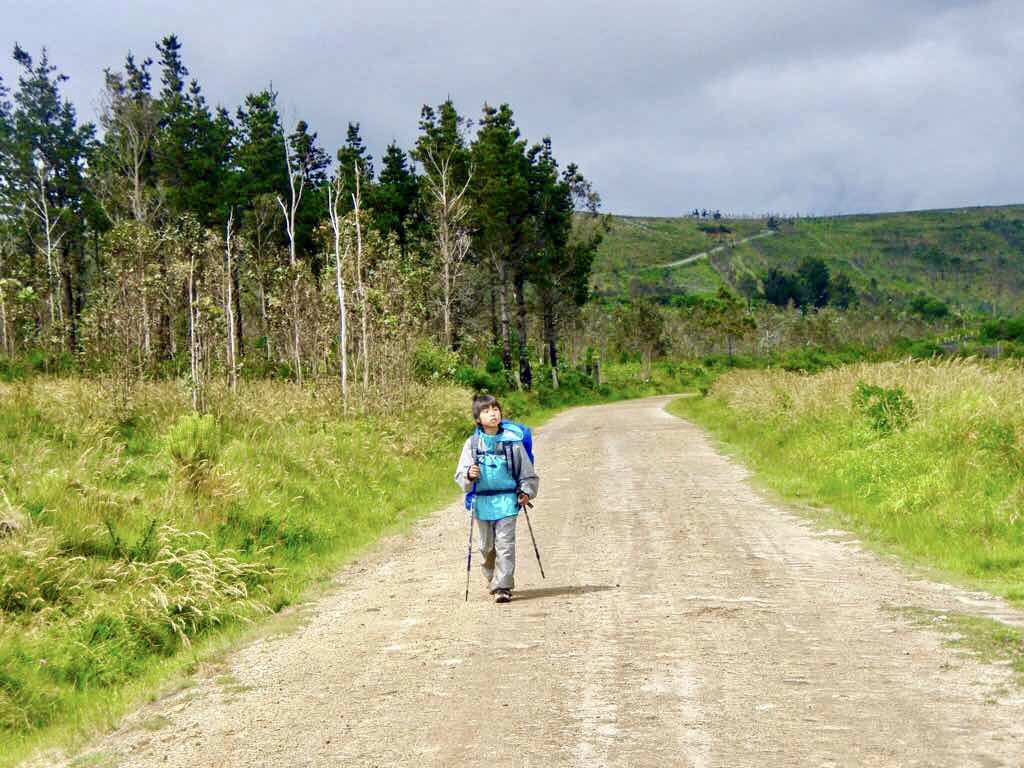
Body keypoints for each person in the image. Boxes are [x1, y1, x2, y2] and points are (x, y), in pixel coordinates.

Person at [454, 394, 539, 603]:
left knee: (505, 545)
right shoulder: (472, 444)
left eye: (495, 409)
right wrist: (469, 475)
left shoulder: (513, 442)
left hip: (507, 501)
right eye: (486, 411)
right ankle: (493, 578)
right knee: (486, 547)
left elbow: (527, 473)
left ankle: (503, 586)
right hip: (482, 503)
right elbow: (461, 475)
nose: (493, 414)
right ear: (478, 419)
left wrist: (526, 491)